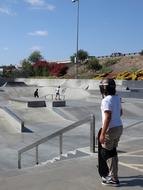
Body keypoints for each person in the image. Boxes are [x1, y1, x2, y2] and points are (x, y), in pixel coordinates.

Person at [99, 78, 123, 187]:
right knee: (112, 151)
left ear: (105, 88)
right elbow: (120, 112)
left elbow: (107, 117)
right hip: (119, 127)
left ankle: (113, 178)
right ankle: (114, 174)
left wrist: (103, 133)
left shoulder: (106, 100)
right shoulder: (117, 98)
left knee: (106, 152)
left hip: (111, 129)